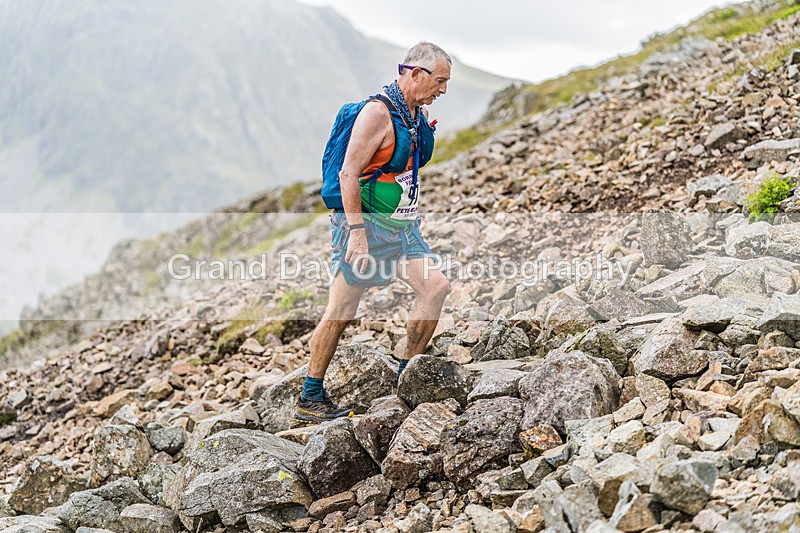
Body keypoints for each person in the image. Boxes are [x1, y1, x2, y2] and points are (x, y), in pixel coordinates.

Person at [293, 42, 452, 425]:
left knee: (436, 288)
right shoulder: (376, 114)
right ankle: (310, 395)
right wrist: (357, 235)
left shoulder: (415, 113)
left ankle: (406, 373)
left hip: (402, 228)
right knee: (343, 309)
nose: (443, 90)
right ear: (416, 73)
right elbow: (349, 174)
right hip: (366, 227)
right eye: (440, 81)